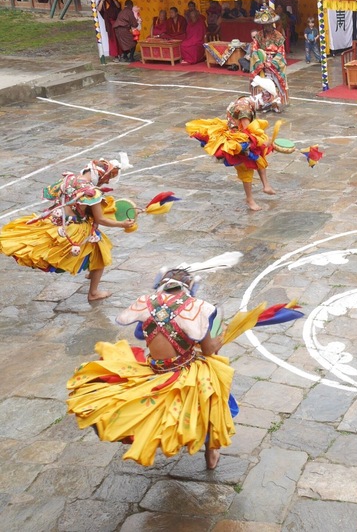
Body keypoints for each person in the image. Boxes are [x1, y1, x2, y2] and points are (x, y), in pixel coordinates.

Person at [66, 254, 242, 468]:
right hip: (183, 371)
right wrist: (222, 335)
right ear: (189, 289)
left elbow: (140, 335)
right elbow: (208, 351)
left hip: (155, 369)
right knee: (215, 394)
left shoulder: (146, 303)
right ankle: (211, 452)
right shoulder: (198, 308)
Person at [0, 156, 135, 301]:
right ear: (100, 176)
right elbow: (100, 219)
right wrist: (122, 224)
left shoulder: (68, 179)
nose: (107, 182)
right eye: (107, 178)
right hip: (75, 229)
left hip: (56, 222)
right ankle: (93, 293)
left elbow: (56, 199)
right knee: (101, 253)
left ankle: (92, 272)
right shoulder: (92, 192)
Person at [186, 96, 277, 211]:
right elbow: (248, 132)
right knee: (246, 169)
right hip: (239, 142)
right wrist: (263, 142)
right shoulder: (245, 112)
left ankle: (266, 185)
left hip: (240, 134)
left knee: (260, 158)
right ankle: (249, 199)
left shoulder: (241, 103)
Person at [250, 8, 288, 109]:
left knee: (275, 81)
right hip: (262, 61)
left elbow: (281, 51)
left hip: (274, 62)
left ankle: (276, 101)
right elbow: (254, 49)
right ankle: (262, 101)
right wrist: (259, 61)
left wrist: (272, 62)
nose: (267, 27)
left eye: (269, 24)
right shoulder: (258, 35)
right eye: (265, 25)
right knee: (260, 82)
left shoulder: (278, 36)